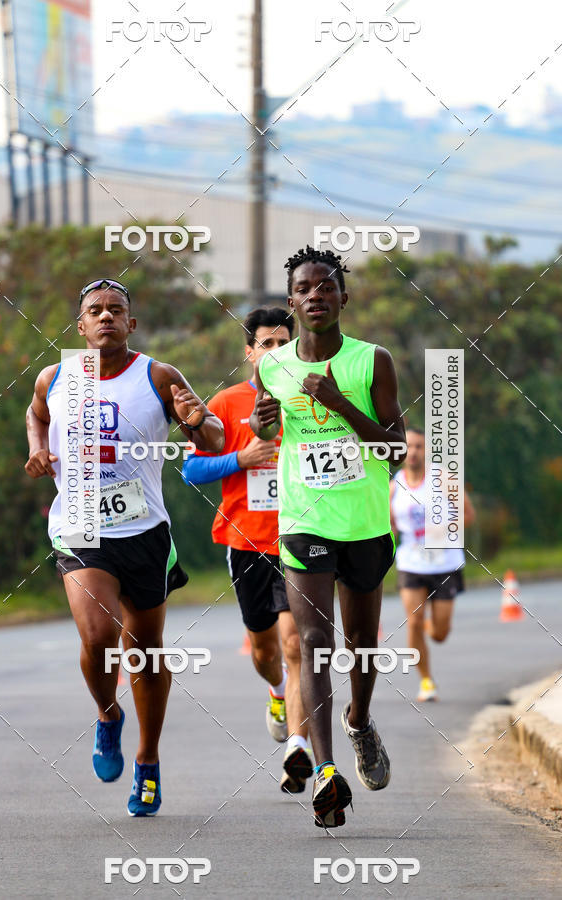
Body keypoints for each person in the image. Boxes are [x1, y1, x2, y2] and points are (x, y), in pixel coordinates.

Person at [25, 278, 224, 816]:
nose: (106, 316)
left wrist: (195, 420)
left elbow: (213, 439)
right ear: (81, 325)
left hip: (144, 532)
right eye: (95, 310)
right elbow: (37, 412)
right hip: (81, 526)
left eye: (116, 309)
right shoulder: (56, 377)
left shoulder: (158, 376)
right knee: (99, 636)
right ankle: (108, 714)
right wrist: (38, 448)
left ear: (131, 324)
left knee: (146, 651)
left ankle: (148, 759)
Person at [250, 246, 407, 829]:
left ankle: (359, 722)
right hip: (303, 520)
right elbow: (265, 420)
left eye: (326, 286)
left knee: (361, 643)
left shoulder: (372, 361)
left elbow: (395, 450)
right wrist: (262, 422)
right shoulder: (272, 366)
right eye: (304, 288)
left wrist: (339, 403)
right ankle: (326, 773)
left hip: (363, 522)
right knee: (315, 639)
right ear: (291, 303)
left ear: (345, 297)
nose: (315, 294)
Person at [181, 307, 313, 794]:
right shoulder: (226, 402)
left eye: (284, 343)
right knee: (265, 650)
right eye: (266, 344)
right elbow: (191, 471)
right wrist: (242, 457)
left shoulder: (310, 398)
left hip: (302, 538)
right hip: (247, 543)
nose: (275, 352)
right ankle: (276, 691)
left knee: (296, 645)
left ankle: (297, 748)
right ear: (249, 352)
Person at [390, 426, 475, 702]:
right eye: (408, 446)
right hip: (411, 564)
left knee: (439, 633)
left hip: (444, 564)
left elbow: (468, 515)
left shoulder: (444, 479)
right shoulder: (394, 487)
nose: (413, 452)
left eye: (419, 446)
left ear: (427, 450)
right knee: (413, 622)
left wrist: (445, 530)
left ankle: (432, 626)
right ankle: (426, 681)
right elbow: (389, 524)